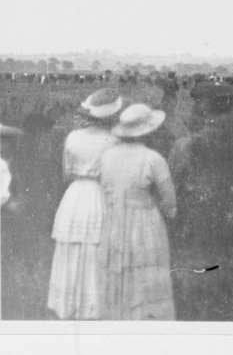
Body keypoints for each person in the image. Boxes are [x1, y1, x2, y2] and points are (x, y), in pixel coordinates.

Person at [46, 88, 124, 320]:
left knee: (72, 247)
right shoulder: (114, 140)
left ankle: (67, 304)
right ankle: (94, 306)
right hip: (99, 194)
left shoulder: (72, 137)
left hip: (75, 195)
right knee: (95, 248)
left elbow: (66, 173)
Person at [167, 83, 233, 256]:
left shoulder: (199, 138)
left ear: (207, 105)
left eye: (199, 103)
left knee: (208, 254)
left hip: (207, 205)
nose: (195, 107)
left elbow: (185, 175)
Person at [98, 104, 177, 320]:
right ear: (149, 131)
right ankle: (145, 314)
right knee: (146, 264)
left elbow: (104, 188)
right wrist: (169, 214)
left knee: (119, 265)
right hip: (145, 219)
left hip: (114, 220)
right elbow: (169, 199)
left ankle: (119, 312)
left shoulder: (107, 156)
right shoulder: (153, 158)